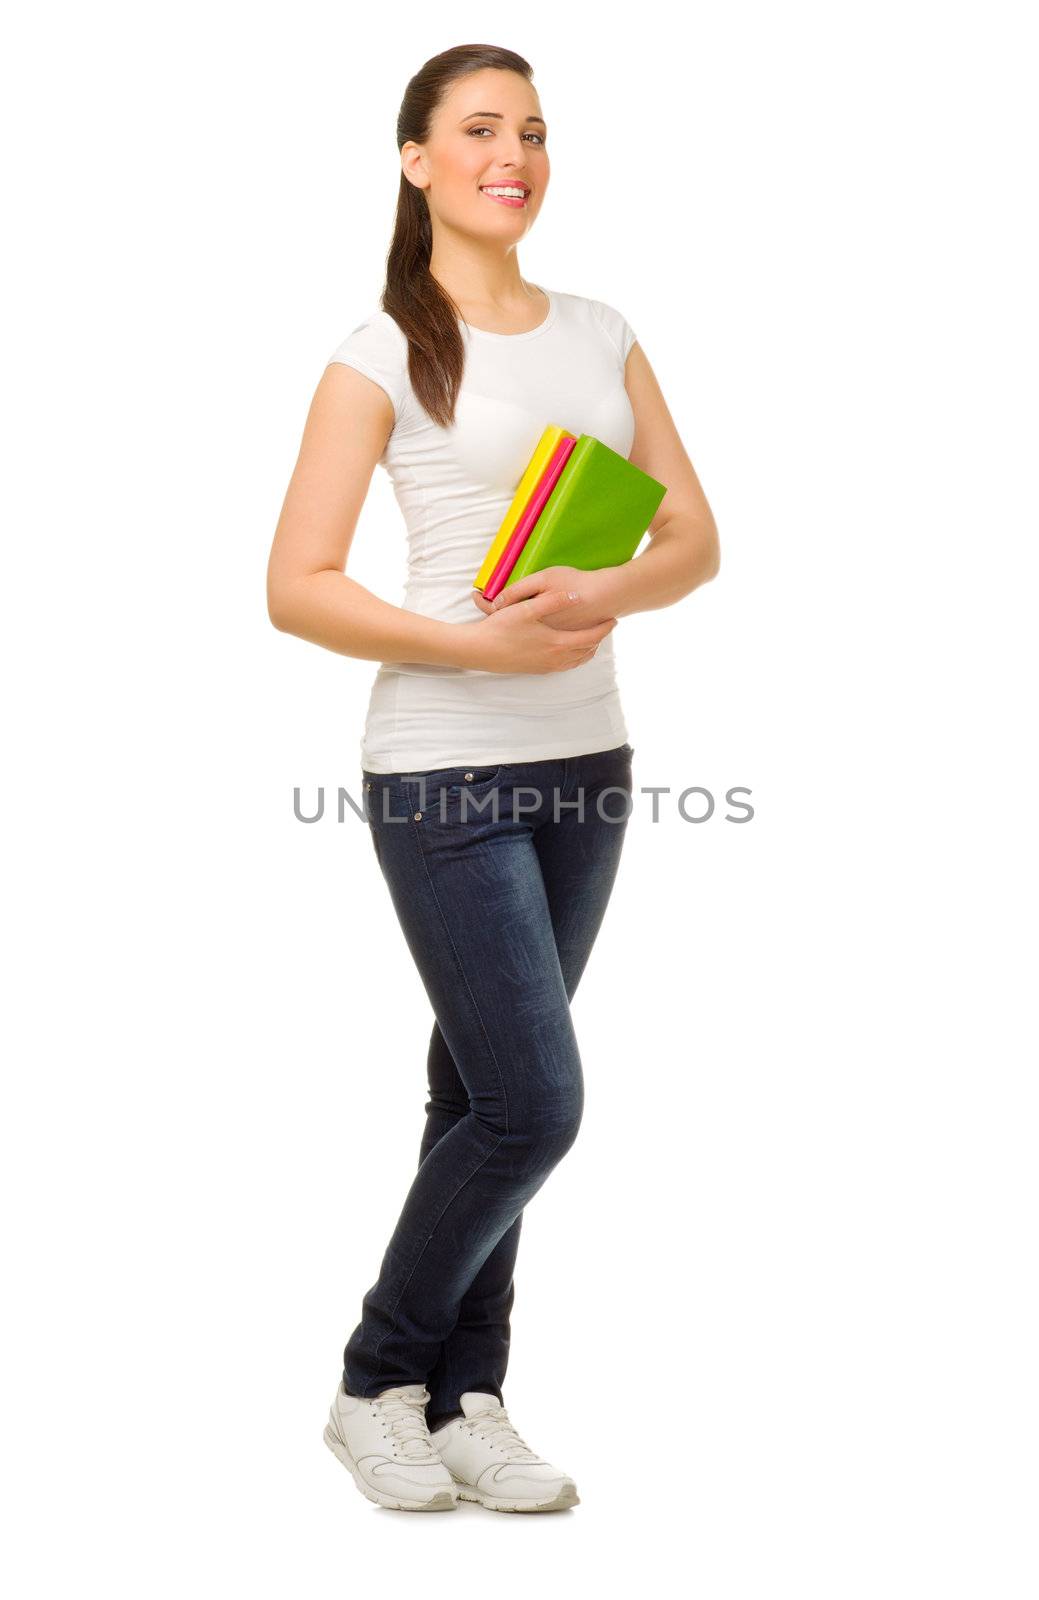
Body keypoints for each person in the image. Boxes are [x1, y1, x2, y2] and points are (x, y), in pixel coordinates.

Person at [266, 43, 720, 1514]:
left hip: (588, 755)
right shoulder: (379, 350)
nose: (511, 151)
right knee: (534, 1103)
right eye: (478, 129)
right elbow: (297, 586)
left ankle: (466, 1398)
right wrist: (467, 642)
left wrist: (606, 591)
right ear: (417, 160)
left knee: (476, 1092)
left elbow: (694, 542)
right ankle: (372, 1379)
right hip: (442, 765)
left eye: (531, 129)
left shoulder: (600, 331)